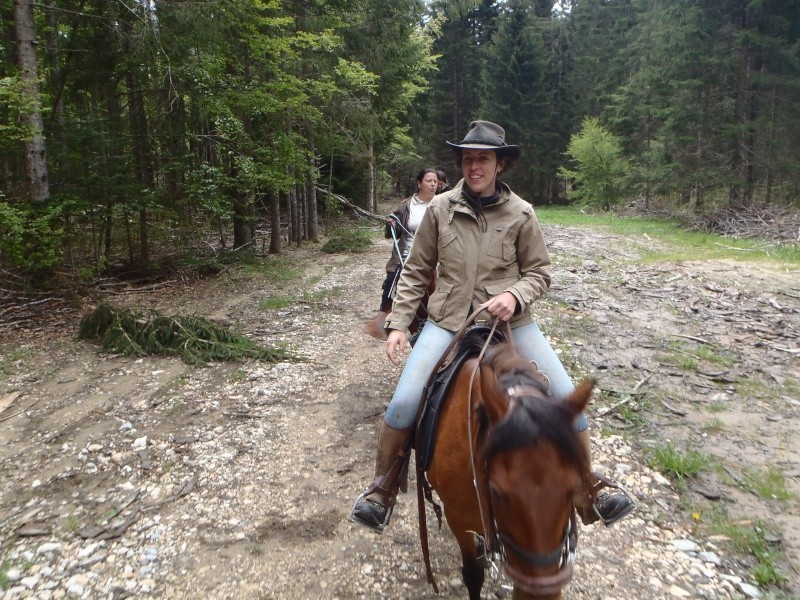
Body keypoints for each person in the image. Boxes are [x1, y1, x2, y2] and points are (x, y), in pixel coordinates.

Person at [350, 120, 635, 533]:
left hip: (509, 324)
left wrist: (515, 295)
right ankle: (383, 489)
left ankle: (588, 486)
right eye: (468, 159)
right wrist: (397, 325)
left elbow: (540, 272)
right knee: (405, 400)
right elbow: (415, 271)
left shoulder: (522, 214)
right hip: (448, 321)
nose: (474, 167)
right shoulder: (440, 209)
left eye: (483, 159)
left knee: (567, 398)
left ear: (500, 164)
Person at [363, 168, 439, 341]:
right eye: (429, 181)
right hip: (406, 255)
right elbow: (393, 233)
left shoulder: (442, 204)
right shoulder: (406, 205)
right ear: (419, 183)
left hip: (436, 256)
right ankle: (384, 314)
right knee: (392, 279)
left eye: (435, 181)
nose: (433, 184)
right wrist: (392, 225)